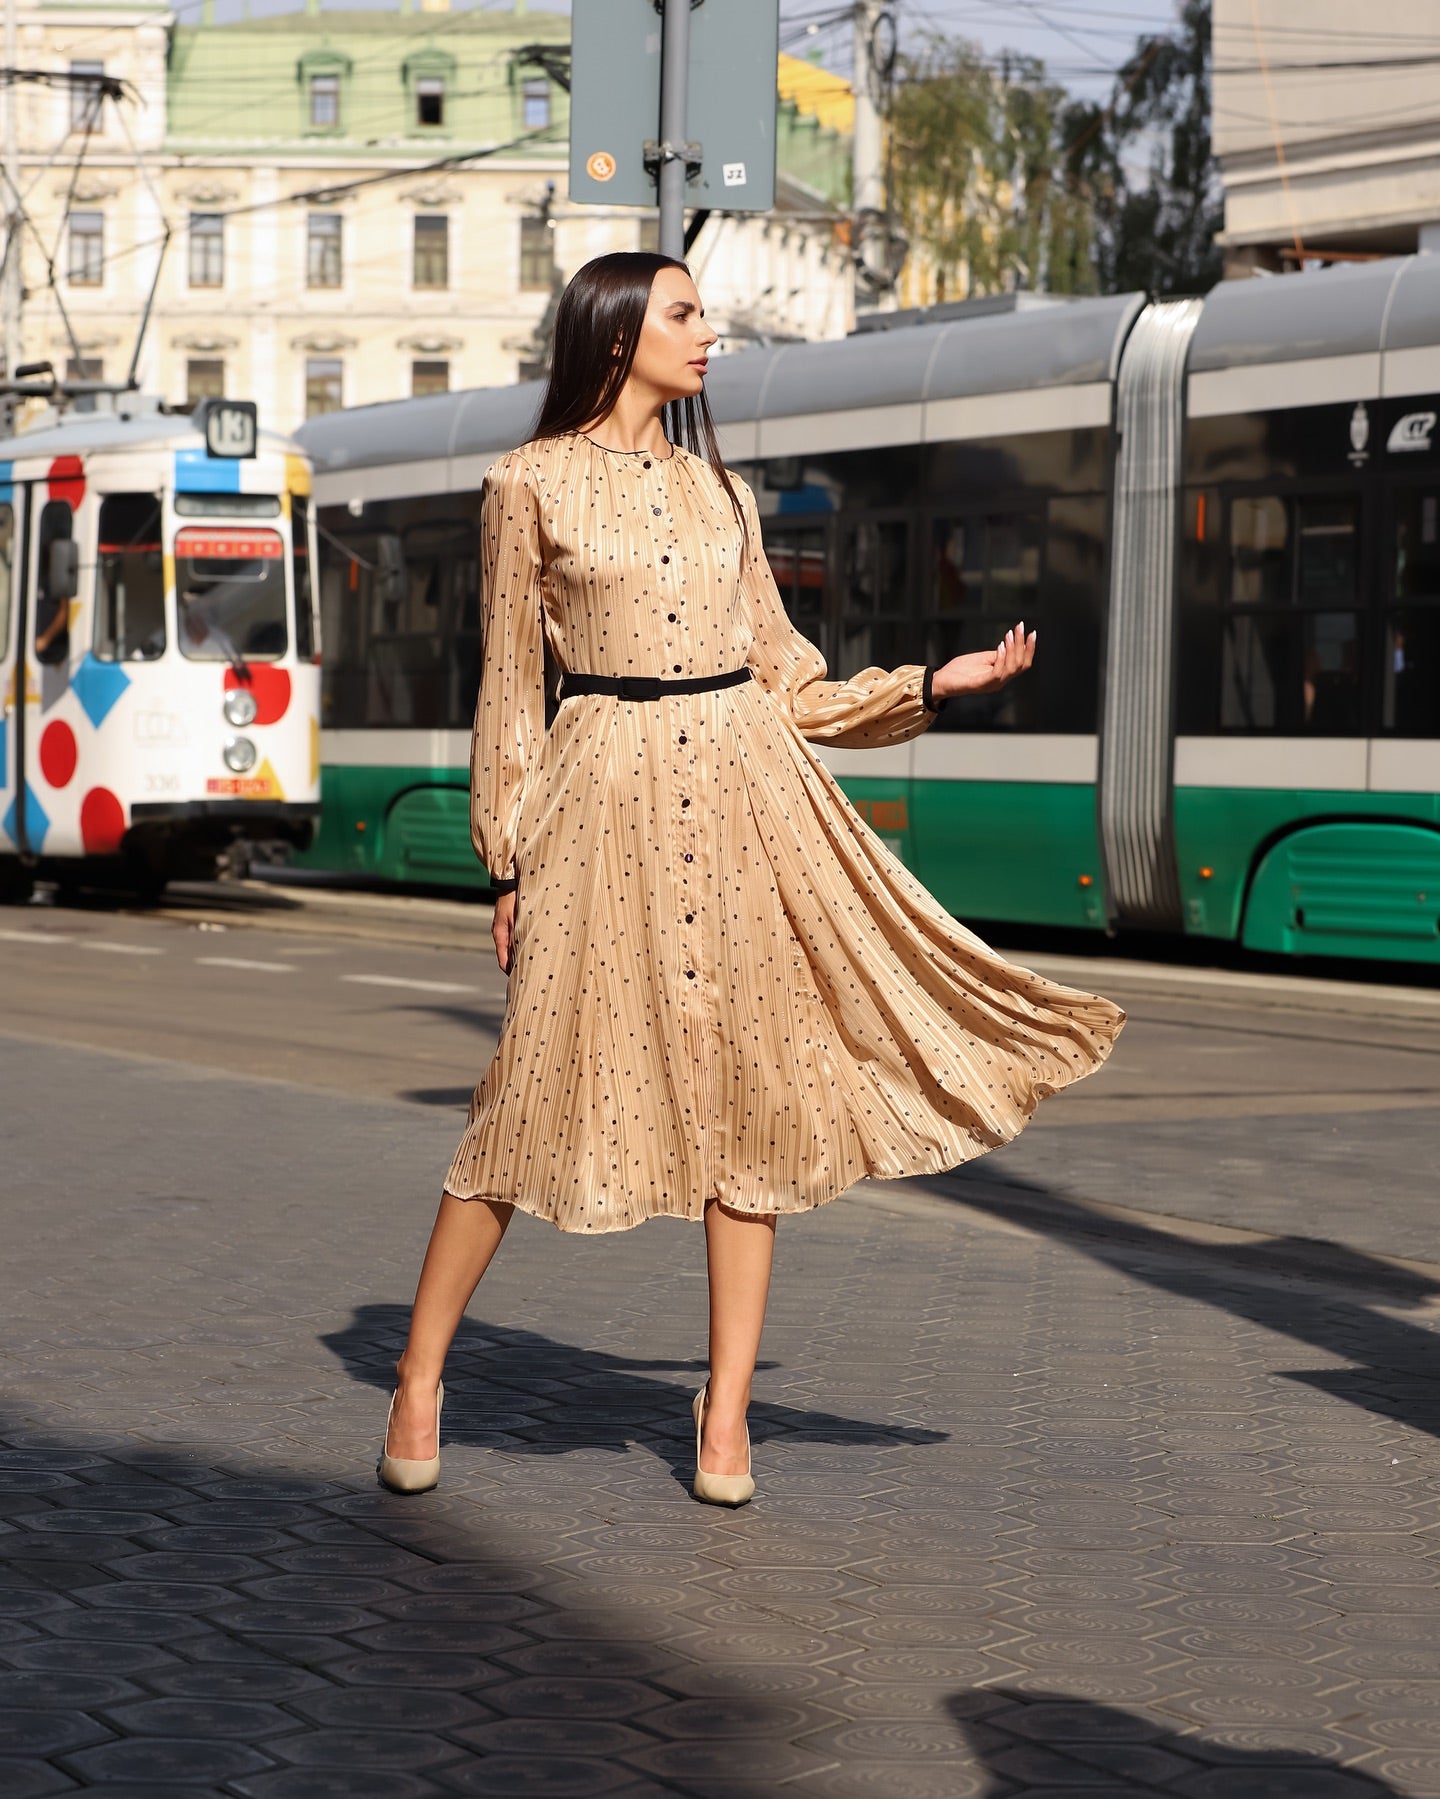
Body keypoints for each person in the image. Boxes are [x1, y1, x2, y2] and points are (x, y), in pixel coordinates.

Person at [379, 252, 1125, 1506]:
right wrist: (503, 862)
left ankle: (724, 1413)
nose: (710, 332)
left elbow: (785, 676)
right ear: (616, 334)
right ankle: (417, 1370)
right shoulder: (529, 484)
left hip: (743, 794)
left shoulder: (724, 495)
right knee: (524, 1093)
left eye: (704, 312)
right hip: (597, 797)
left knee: (752, 1097)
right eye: (685, 313)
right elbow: (509, 691)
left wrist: (935, 685)